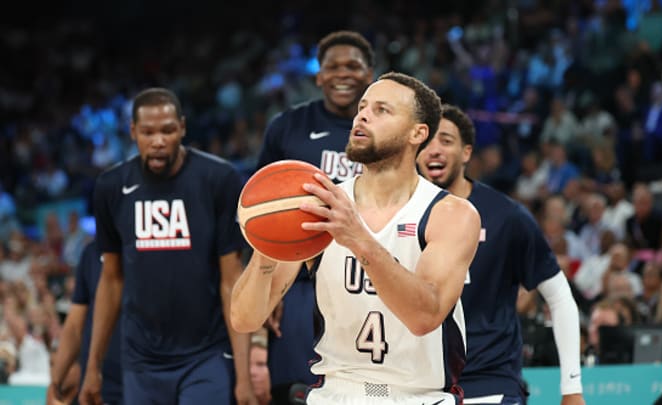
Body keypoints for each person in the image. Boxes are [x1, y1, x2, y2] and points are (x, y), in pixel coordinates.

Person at [230, 72, 481, 404]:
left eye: (382, 110)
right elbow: (245, 319)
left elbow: (424, 317)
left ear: (417, 133)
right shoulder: (319, 205)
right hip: (335, 393)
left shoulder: (450, 214)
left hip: (418, 396)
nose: (362, 115)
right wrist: (267, 246)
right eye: (362, 107)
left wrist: (358, 238)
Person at [79, 88, 256, 405]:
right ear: (133, 132)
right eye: (148, 132)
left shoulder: (219, 179)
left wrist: (243, 377)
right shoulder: (111, 187)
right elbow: (111, 280)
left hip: (206, 356)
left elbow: (232, 281)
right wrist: (92, 366)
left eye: (168, 130)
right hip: (141, 361)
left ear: (183, 128)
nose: (158, 140)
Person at [417, 104, 585, 404]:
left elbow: (559, 295)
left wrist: (571, 387)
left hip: (488, 382)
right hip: (417, 383)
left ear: (466, 153)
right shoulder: (400, 216)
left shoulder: (505, 216)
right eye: (426, 141)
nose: (434, 150)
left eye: (446, 140)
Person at [254, 30, 375, 403]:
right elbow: (258, 214)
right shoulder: (288, 128)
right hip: (301, 280)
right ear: (318, 76)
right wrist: (267, 289)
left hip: (368, 275)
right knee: (294, 391)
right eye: (333, 66)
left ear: (369, 74)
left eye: (353, 66)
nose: (343, 74)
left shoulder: (387, 130)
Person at [50, 240, 123, 404]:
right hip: (93, 390)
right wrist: (55, 382)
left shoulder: (144, 253)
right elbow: (75, 325)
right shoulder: (91, 253)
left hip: (138, 385)